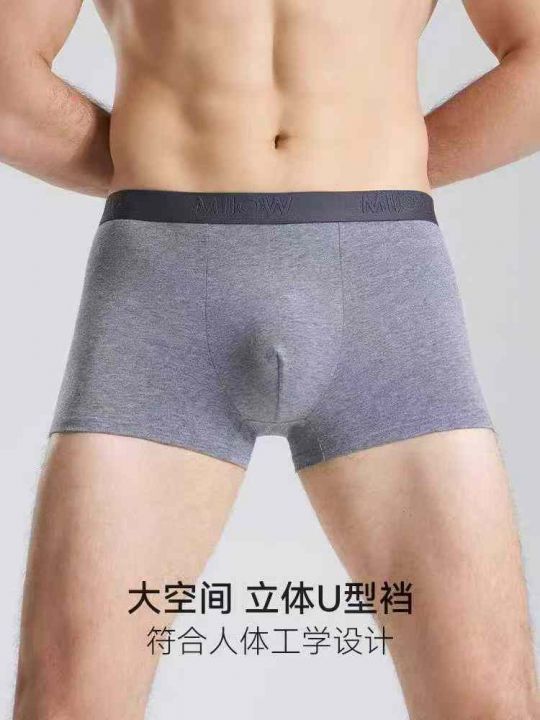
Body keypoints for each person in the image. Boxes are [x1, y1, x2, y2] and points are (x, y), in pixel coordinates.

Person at [1, 0, 539, 718]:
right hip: (165, 279)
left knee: (491, 704)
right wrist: (152, 160)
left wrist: (402, 159)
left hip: (381, 281)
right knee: (67, 704)